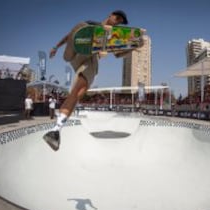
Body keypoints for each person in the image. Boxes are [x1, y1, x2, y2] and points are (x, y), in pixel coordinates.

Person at [43, 10, 143, 151]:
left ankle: (55, 130)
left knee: (78, 93)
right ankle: (72, 51)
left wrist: (133, 46)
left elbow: (118, 54)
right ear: (110, 15)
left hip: (90, 60)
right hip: (78, 54)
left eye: (120, 22)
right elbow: (71, 35)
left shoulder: (114, 36)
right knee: (81, 27)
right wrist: (56, 47)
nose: (118, 22)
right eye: (117, 18)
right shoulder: (91, 24)